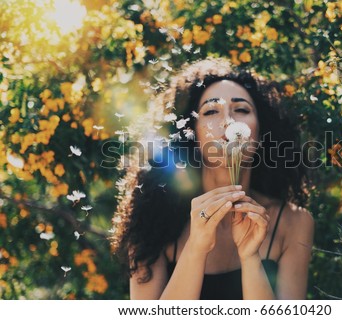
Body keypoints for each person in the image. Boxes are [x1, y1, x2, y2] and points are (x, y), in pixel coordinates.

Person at [110, 57, 314, 300]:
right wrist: (196, 247)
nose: (229, 122)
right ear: (191, 135)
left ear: (260, 133)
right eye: (211, 111)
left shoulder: (294, 222)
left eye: (241, 110)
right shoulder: (151, 216)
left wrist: (250, 258)